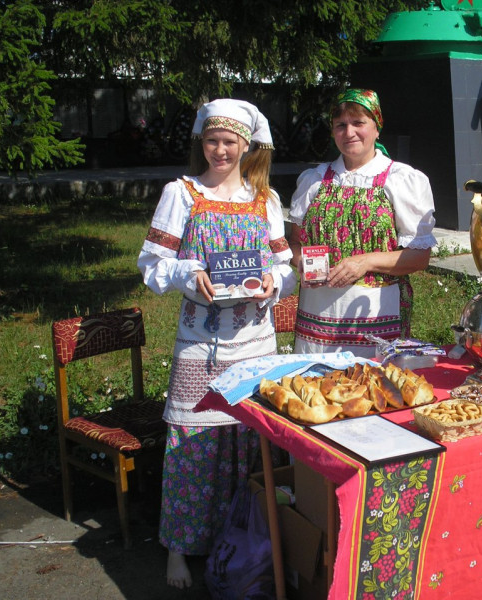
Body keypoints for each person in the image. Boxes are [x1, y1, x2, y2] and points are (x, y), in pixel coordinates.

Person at [137, 99, 295, 589]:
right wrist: (189, 273)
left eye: (229, 142)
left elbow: (285, 265)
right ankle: (179, 550)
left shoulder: (265, 199)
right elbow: (152, 263)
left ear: (246, 146)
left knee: (249, 441)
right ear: (201, 143)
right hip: (200, 343)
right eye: (212, 141)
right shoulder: (181, 193)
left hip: (254, 342)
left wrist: (274, 282)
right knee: (192, 445)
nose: (220, 150)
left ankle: (244, 541)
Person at [288, 88, 436, 359]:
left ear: (377, 128)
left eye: (358, 123)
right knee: (316, 383)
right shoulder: (314, 180)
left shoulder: (401, 180)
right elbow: (295, 242)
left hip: (376, 315)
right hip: (317, 316)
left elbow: (419, 256)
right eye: (340, 125)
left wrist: (364, 262)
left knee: (372, 382)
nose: (349, 132)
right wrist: (301, 262)